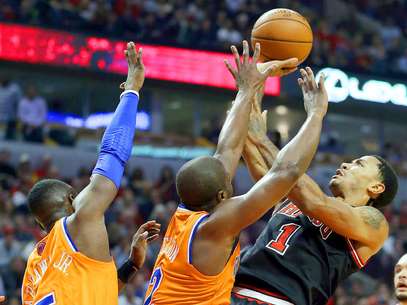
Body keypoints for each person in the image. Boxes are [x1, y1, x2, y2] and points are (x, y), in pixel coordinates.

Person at [143, 40, 328, 305]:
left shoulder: (186, 214)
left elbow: (227, 149)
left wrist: (247, 88)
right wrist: (316, 114)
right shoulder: (215, 226)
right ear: (221, 193)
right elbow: (286, 172)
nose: (228, 167)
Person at [231, 75, 399, 305]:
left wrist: (262, 138)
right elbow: (264, 171)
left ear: (376, 187)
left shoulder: (372, 222)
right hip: (232, 290)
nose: (345, 164)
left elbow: (314, 202)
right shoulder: (298, 196)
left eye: (358, 164)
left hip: (279, 300)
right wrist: (247, 98)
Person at [21, 42, 160, 305]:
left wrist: (131, 264)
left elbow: (92, 294)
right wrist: (132, 90)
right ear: (73, 198)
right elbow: (111, 156)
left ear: (41, 224)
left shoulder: (34, 265)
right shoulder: (80, 218)